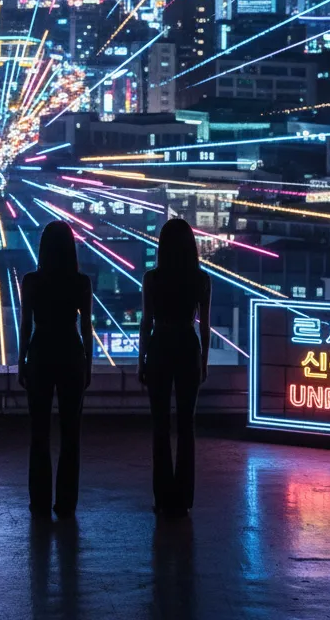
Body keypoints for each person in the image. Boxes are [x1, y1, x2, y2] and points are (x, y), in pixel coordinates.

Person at [17, 220, 93, 518]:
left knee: (39, 432)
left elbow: (25, 326)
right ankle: (66, 502)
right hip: (71, 352)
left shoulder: (32, 281)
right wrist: (88, 363)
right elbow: (85, 327)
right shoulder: (81, 282)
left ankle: (39, 500)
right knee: (71, 433)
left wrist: (22, 360)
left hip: (40, 350)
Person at [137, 218, 211, 518]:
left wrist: (141, 359)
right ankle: (184, 497)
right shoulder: (200, 279)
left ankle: (162, 495)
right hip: (187, 345)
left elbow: (145, 323)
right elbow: (204, 326)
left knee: (160, 425)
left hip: (160, 345)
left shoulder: (152, 279)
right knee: (186, 425)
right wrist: (203, 361)